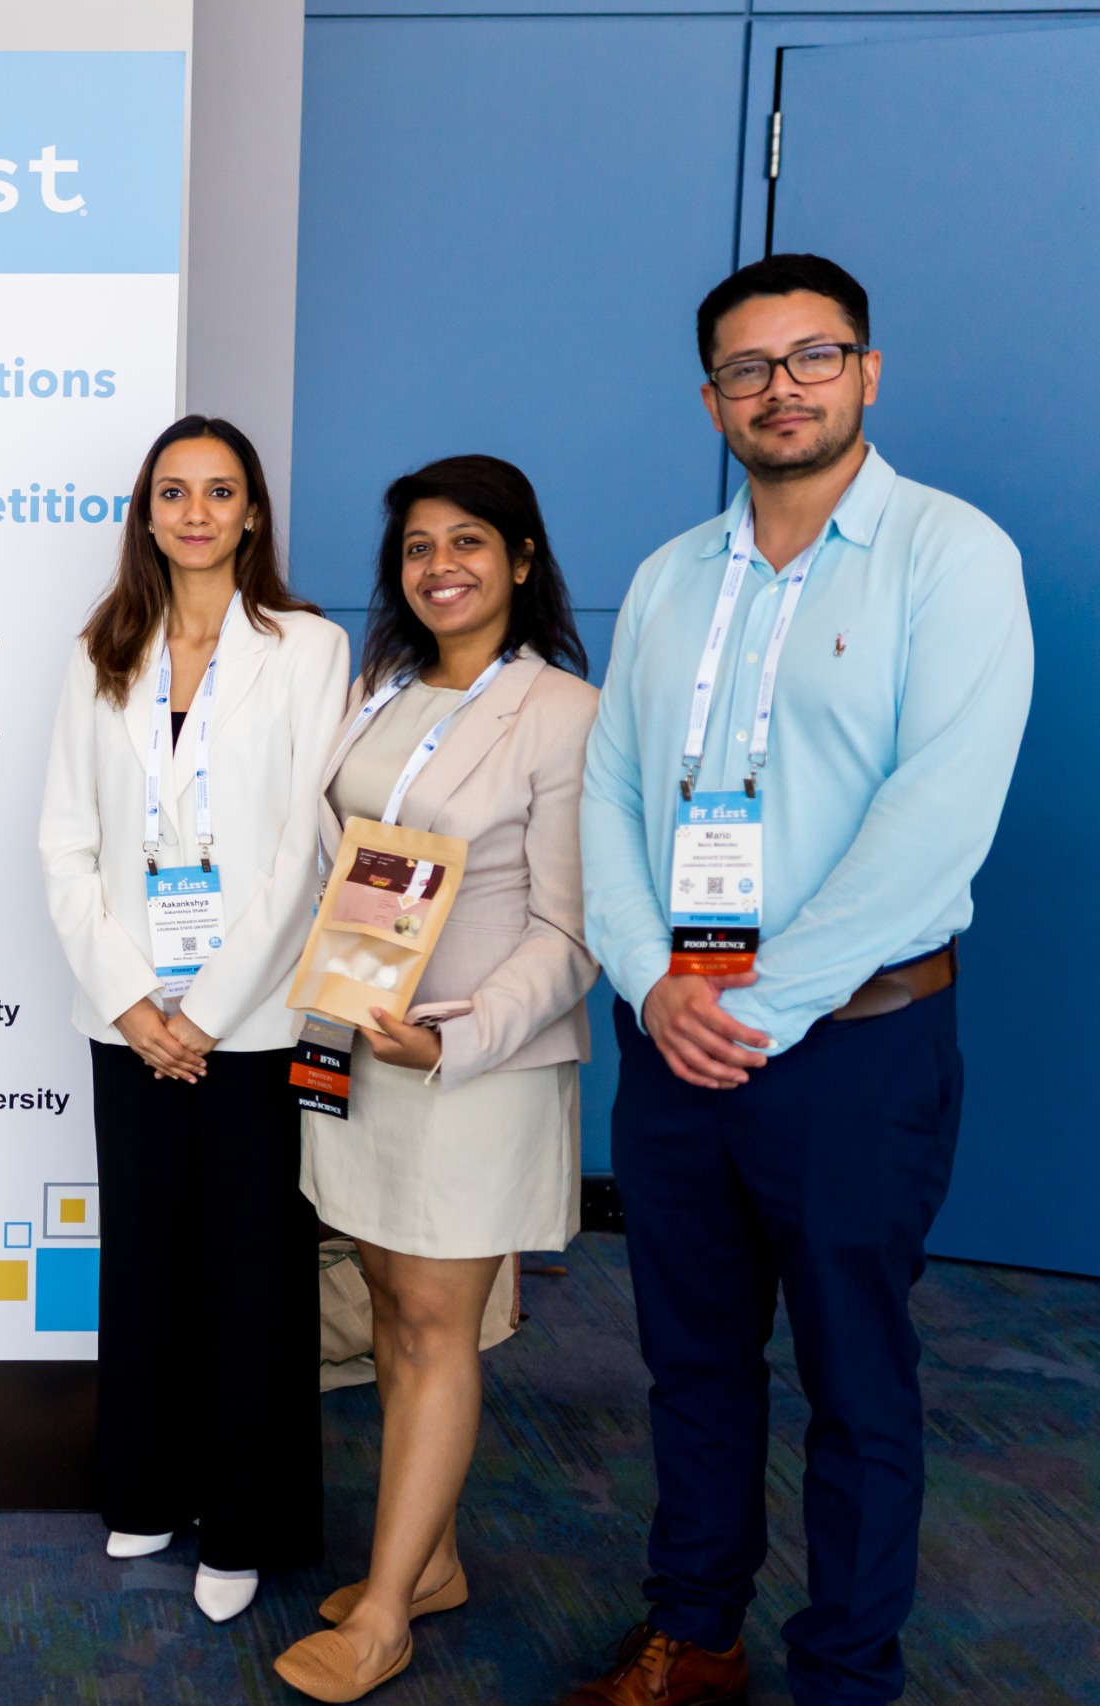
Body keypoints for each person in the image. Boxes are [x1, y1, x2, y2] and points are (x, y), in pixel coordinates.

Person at [564, 255, 1032, 1706]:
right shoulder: (665, 577)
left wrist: (751, 1007)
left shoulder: (953, 556)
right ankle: (694, 1636)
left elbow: (936, 819)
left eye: (813, 356)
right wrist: (650, 981)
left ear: (868, 371)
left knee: (854, 1381)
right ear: (711, 397)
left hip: (851, 1051)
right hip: (675, 1043)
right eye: (749, 369)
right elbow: (611, 790)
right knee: (693, 1366)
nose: (783, 389)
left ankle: (844, 1672)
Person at [269, 456, 597, 1702]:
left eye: (469, 540)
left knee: (432, 1323)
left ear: (520, 557)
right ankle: (439, 1553)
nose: (439, 565)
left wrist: (453, 1039)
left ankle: (389, 1609)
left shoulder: (564, 710)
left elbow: (573, 931)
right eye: (416, 545)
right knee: (393, 1302)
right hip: (359, 1042)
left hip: (472, 1065)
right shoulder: (380, 691)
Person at [36, 414, 349, 1623]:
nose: (198, 511)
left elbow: (299, 852)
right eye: (175, 491)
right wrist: (130, 997)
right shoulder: (103, 648)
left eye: (221, 491)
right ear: (148, 513)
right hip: (126, 1020)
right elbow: (64, 839)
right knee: (150, 1260)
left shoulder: (307, 647)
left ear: (253, 511)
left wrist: (207, 1011)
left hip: (253, 1021)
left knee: (252, 1276)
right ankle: (149, 1485)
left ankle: (245, 1517)